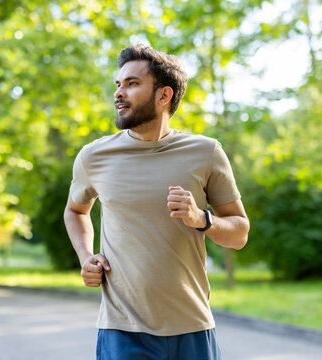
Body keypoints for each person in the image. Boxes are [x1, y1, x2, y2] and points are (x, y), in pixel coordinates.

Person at [64, 44, 250, 360]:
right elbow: (75, 209)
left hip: (192, 328)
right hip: (122, 331)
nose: (119, 93)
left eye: (132, 84)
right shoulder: (94, 156)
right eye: (118, 84)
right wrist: (86, 256)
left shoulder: (205, 152)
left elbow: (240, 233)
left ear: (164, 96)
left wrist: (201, 218)